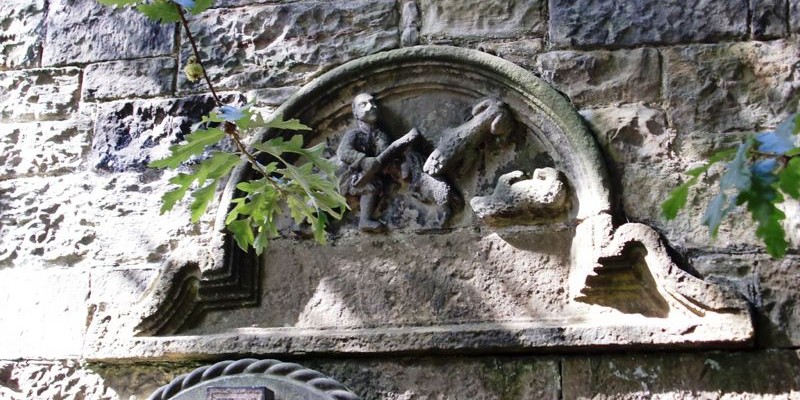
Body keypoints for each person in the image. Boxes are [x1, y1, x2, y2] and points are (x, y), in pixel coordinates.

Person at [336, 93, 392, 232]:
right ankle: (301, 222)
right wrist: (363, 160)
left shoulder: (379, 135)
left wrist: (382, 143)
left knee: (371, 188)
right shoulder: (354, 134)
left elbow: (385, 154)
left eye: (373, 102)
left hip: (363, 175)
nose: (371, 106)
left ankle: (364, 220)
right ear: (355, 112)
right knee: (326, 197)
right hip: (343, 173)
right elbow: (343, 152)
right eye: (363, 104)